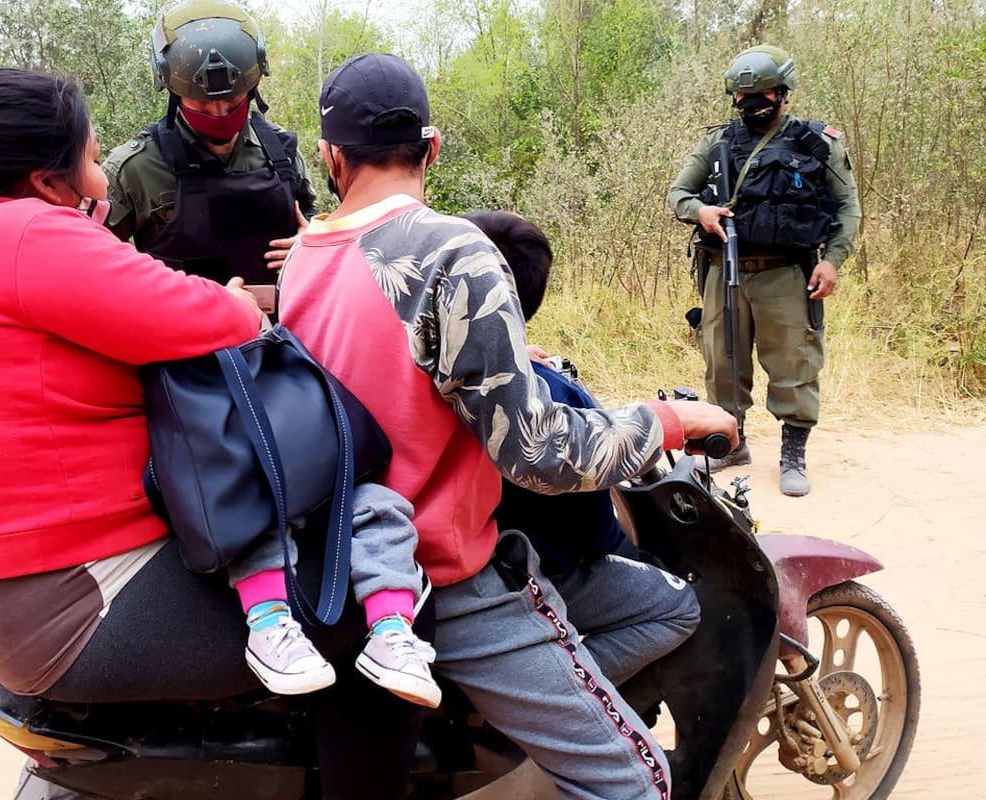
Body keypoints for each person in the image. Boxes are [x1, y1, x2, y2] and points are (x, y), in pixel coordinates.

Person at [0, 65, 423, 800]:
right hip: (78, 601)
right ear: (46, 178)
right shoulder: (28, 235)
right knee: (384, 590)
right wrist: (225, 296)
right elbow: (219, 319)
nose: (101, 177)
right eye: (93, 161)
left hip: (22, 594)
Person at [278, 53, 738, 800]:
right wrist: (669, 421)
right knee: (637, 782)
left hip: (340, 563)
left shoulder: (304, 256)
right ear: (431, 148)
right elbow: (539, 453)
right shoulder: (452, 250)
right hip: (445, 576)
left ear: (331, 158)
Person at [464, 209, 701, 688]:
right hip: (532, 568)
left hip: (466, 555)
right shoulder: (552, 393)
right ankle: (558, 689)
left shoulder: (430, 371)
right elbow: (592, 532)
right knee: (677, 605)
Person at [667, 44, 862, 496]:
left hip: (787, 274)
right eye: (743, 98)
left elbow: (847, 208)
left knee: (794, 363)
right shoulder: (716, 142)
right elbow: (678, 193)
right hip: (724, 269)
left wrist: (832, 260)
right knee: (721, 363)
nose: (752, 106)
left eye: (762, 96)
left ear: (783, 93)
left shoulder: (817, 143)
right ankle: (730, 444)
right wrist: (701, 212)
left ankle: (793, 451)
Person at [102, 0, 318, 314]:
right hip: (181, 348)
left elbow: (312, 218)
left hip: (282, 344)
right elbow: (95, 266)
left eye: (232, 102)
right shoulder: (134, 169)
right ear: (173, 91)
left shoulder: (282, 153)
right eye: (202, 105)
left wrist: (311, 243)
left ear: (253, 87)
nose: (218, 112)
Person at [224, 481, 441, 707]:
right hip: (260, 476)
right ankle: (267, 620)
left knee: (383, 505)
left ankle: (390, 632)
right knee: (251, 497)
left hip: (318, 474)